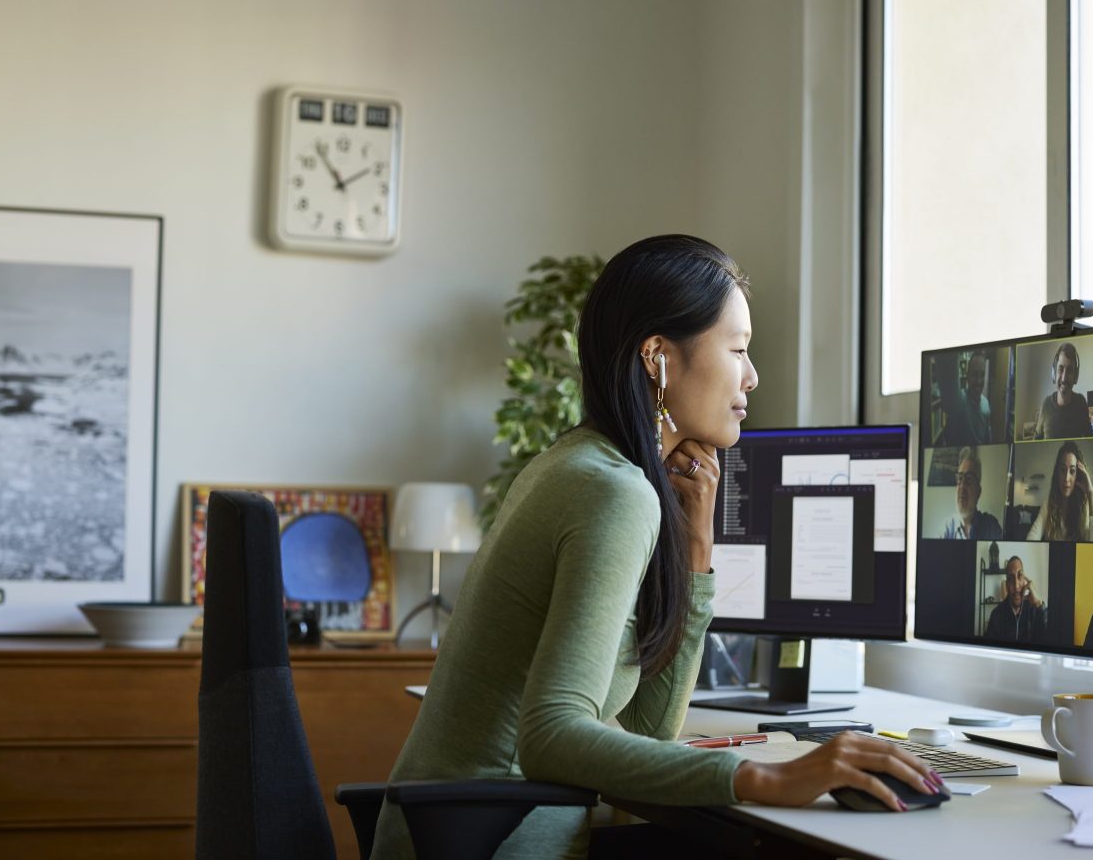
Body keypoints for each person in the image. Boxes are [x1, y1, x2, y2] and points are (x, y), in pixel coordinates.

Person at [372, 236, 939, 860]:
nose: (752, 376)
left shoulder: (579, 463)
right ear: (658, 357)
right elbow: (551, 737)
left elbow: (649, 729)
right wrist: (768, 776)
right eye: (739, 349)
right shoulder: (612, 491)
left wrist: (698, 546)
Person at [1026, 440, 1093, 542]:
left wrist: (1091, 493)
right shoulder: (1048, 505)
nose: (1066, 478)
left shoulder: (1086, 506)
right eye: (1063, 470)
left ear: (1079, 475)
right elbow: (1032, 537)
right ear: (1057, 473)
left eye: (1072, 471)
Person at [941, 446, 1003, 540]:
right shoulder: (946, 529)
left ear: (978, 492)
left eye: (969, 479)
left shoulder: (991, 526)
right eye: (960, 478)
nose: (962, 486)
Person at [1034, 342, 1092, 440]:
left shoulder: (1081, 403)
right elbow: (1035, 440)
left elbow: (1090, 437)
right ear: (1054, 373)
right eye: (1060, 369)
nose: (1064, 378)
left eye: (1069, 370)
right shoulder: (1046, 404)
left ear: (1075, 376)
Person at [984, 555, 1047, 642]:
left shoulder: (1034, 611)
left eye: (1020, 576)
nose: (1016, 586)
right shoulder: (996, 615)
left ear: (1025, 582)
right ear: (1006, 585)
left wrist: (1039, 604)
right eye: (1011, 578)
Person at [938, 349, 992, 445]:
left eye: (982, 375)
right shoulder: (959, 399)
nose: (979, 381)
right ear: (967, 376)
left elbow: (988, 439)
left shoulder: (986, 404)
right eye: (974, 374)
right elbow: (946, 361)